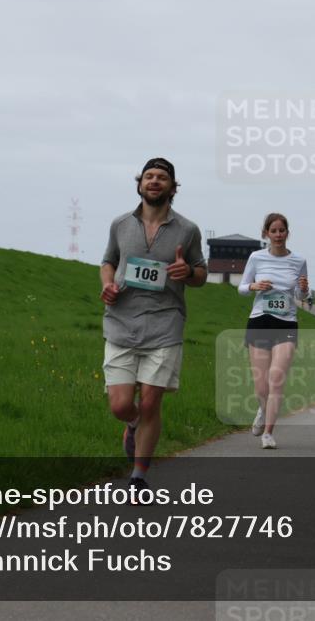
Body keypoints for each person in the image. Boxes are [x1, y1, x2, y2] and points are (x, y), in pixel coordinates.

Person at [100, 157, 208, 497]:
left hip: (165, 323)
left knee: (151, 404)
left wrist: (187, 273)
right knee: (121, 405)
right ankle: (132, 424)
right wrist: (107, 285)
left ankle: (138, 477)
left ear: (173, 187)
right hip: (121, 322)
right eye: (149, 176)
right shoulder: (120, 224)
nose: (155, 181)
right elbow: (109, 261)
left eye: (162, 177)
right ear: (140, 184)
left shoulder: (187, 230)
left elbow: (201, 273)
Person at [238, 213, 309, 449]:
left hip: (286, 323)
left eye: (282, 230)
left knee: (276, 378)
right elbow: (242, 288)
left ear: (288, 233)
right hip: (260, 321)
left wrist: (304, 289)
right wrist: (254, 285)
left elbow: (301, 296)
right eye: (274, 231)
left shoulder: (299, 261)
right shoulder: (256, 257)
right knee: (261, 385)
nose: (278, 235)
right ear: (266, 233)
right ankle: (262, 408)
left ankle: (268, 433)